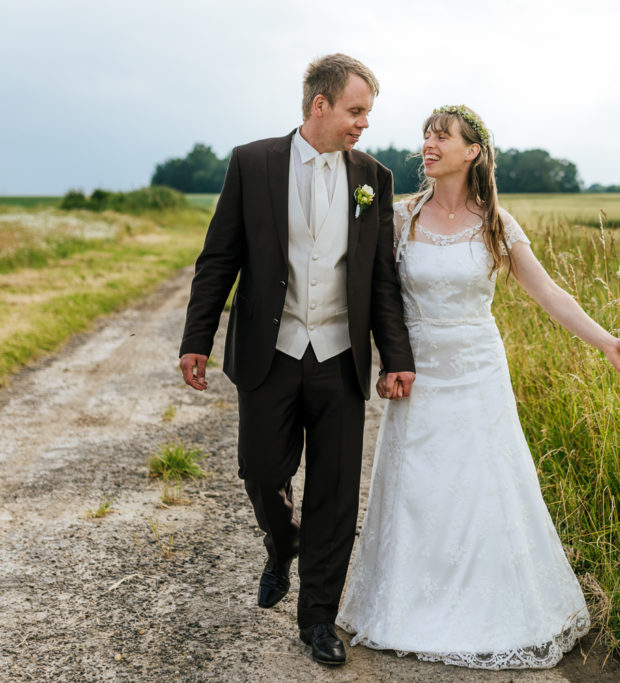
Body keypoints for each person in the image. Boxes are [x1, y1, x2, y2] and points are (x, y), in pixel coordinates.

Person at [336, 105, 620, 669]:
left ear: (472, 151)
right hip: (420, 372)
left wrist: (606, 342)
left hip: (478, 368)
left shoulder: (496, 224)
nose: (428, 144)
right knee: (419, 486)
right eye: (425, 135)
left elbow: (551, 294)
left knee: (485, 485)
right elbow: (376, 295)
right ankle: (407, 604)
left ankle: (496, 608)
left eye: (442, 136)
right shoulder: (401, 217)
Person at [177, 53, 415, 666]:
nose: (364, 123)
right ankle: (282, 541)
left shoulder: (374, 177)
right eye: (356, 110)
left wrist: (395, 355)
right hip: (271, 352)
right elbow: (219, 258)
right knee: (260, 471)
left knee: (335, 495)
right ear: (320, 106)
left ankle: (317, 622)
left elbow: (381, 280)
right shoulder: (252, 163)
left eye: (367, 112)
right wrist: (196, 339)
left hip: (339, 358)